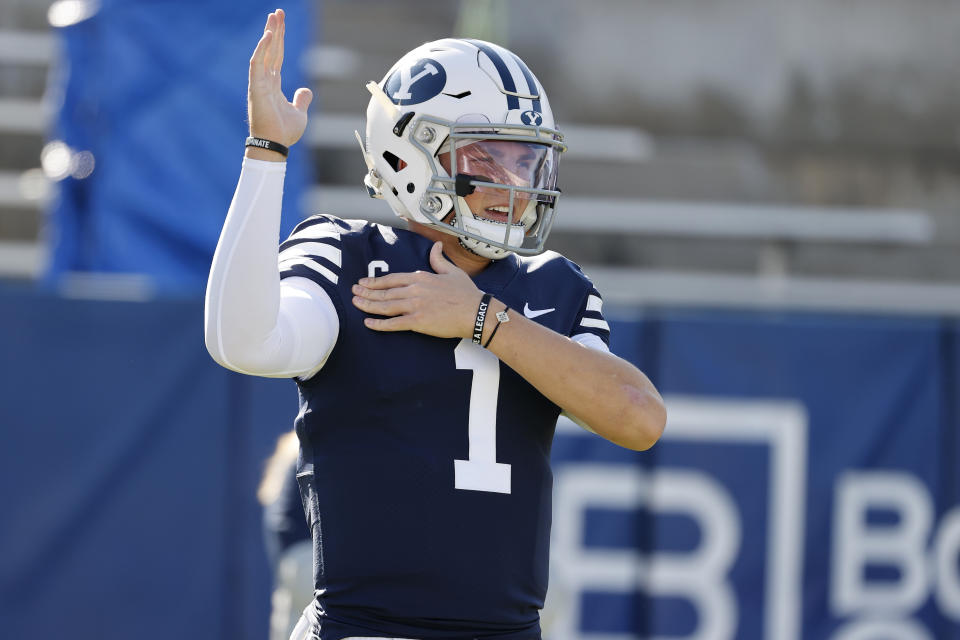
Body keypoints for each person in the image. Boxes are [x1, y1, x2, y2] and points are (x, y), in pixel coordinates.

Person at [205, 9, 666, 640]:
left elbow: (640, 418)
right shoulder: (348, 254)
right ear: (409, 154)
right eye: (491, 158)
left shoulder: (550, 285)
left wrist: (483, 319)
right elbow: (244, 341)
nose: (516, 185)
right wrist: (267, 154)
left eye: (526, 163)